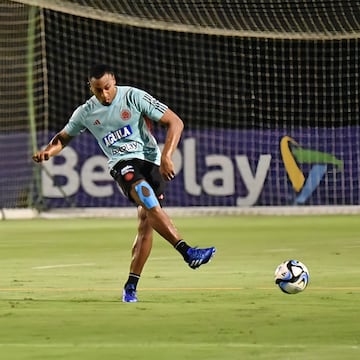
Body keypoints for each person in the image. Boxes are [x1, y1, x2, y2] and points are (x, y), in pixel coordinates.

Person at [32, 64, 216, 303]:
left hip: (150, 161)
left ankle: (131, 285)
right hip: (121, 163)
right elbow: (63, 138)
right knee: (146, 197)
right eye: (98, 90)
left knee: (146, 224)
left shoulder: (133, 96)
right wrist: (49, 152)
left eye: (107, 88)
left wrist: (167, 156)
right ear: (91, 88)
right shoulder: (86, 112)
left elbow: (175, 122)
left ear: (114, 82)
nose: (104, 95)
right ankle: (187, 251)